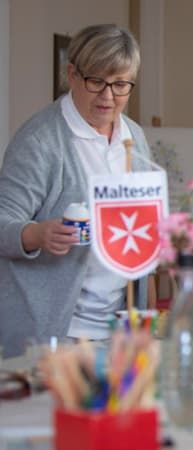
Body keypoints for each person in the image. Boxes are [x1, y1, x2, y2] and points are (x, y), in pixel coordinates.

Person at [0, 24, 151, 357]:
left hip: (117, 327)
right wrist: (35, 234)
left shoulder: (134, 137)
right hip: (56, 333)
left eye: (121, 84)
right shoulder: (41, 141)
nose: (108, 96)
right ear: (72, 74)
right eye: (96, 81)